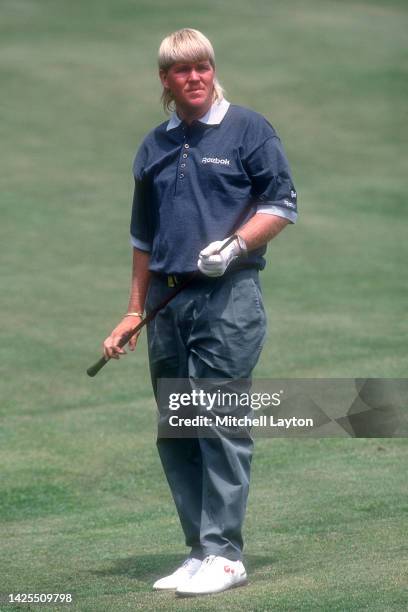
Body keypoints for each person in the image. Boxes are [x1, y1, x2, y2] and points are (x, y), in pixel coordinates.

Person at [102, 28, 297, 597]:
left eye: (203, 67)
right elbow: (143, 236)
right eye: (182, 70)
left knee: (220, 421)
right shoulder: (154, 145)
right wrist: (133, 311)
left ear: (213, 70)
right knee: (179, 430)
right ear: (165, 80)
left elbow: (282, 205)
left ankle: (226, 554)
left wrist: (235, 246)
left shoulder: (249, 130)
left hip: (227, 299)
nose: (194, 77)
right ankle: (201, 550)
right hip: (166, 303)